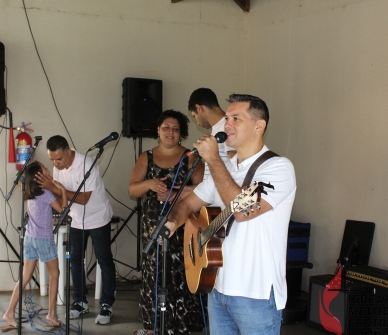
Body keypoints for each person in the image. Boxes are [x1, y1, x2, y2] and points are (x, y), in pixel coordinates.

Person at [165, 94, 296, 335]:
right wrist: (172, 222)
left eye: (236, 118)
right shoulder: (225, 170)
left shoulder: (277, 167)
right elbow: (188, 203)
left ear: (259, 126)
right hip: (217, 288)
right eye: (226, 118)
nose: (227, 125)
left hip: (255, 295)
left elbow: (244, 212)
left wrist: (214, 159)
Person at [128, 110, 205, 335]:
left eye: (175, 128)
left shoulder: (190, 156)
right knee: (154, 275)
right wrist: (150, 184)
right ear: (158, 130)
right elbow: (132, 188)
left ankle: (178, 325)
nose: (170, 132)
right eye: (166, 127)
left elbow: (204, 191)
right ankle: (153, 326)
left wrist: (179, 196)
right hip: (152, 226)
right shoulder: (147, 157)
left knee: (178, 275)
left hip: (182, 227)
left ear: (181, 133)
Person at [35, 135, 116, 325]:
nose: (55, 163)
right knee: (75, 260)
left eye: (59, 159)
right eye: (52, 159)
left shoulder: (87, 164)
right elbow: (59, 193)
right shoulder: (57, 168)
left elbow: (83, 198)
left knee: (104, 259)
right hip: (76, 219)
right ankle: (80, 302)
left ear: (69, 152)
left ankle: (107, 304)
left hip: (97, 217)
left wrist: (54, 189)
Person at [1, 161, 66, 331]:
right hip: (44, 239)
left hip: (30, 238)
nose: (48, 170)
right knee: (55, 274)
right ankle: (52, 314)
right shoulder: (46, 193)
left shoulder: (30, 194)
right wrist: (63, 192)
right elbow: (62, 210)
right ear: (39, 176)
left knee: (25, 276)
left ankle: (9, 312)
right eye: (45, 169)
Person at [188, 87, 236, 190]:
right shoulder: (217, 129)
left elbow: (237, 162)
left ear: (199, 108)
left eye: (194, 115)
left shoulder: (228, 127)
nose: (197, 122)